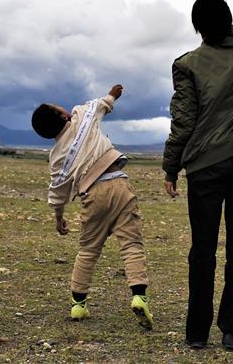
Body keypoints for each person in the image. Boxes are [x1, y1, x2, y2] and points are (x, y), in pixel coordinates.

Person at [162, 0, 233, 351]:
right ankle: (231, 330)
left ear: (197, 28)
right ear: (226, 21)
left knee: (202, 248)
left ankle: (196, 333)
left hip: (204, 168)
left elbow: (184, 122)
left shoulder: (187, 65)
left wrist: (171, 167)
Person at [32, 84, 153, 329]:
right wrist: (113, 95)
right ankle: (138, 296)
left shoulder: (56, 157)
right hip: (119, 184)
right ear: (63, 115)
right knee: (131, 244)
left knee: (88, 250)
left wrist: (59, 218)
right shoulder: (81, 116)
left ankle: (78, 304)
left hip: (91, 195)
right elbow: (100, 105)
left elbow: (57, 192)